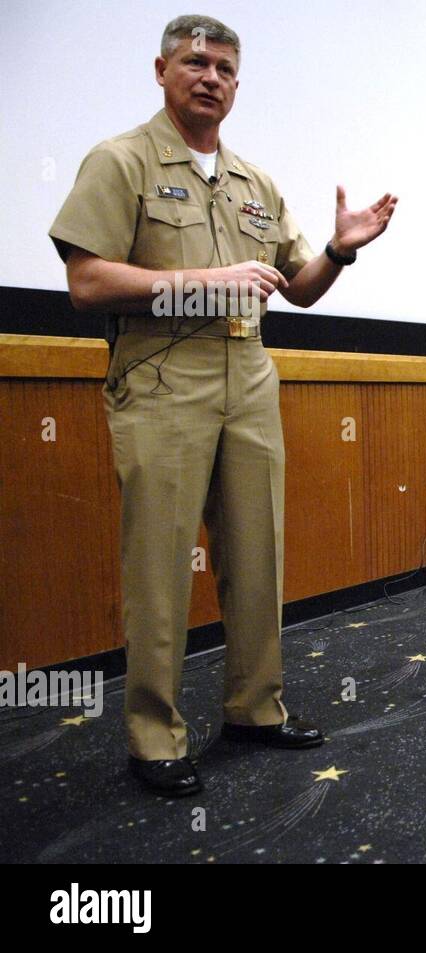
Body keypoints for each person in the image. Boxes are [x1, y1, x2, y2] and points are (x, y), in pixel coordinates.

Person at [48, 16, 398, 797]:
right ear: (162, 69)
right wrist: (200, 282)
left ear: (238, 85)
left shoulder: (255, 183)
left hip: (250, 375)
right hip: (163, 375)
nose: (210, 76)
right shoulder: (121, 160)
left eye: (226, 68)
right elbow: (86, 281)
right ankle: (153, 734)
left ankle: (254, 706)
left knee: (256, 552)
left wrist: (340, 250)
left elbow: (296, 286)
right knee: (162, 565)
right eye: (195, 62)